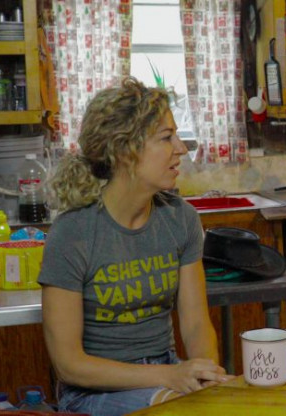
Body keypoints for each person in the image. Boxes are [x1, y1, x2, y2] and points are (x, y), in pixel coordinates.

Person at [38, 77, 233, 416]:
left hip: (166, 374)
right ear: (125, 150)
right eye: (166, 137)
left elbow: (196, 325)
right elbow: (69, 365)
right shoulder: (73, 233)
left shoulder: (181, 218)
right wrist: (170, 377)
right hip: (93, 392)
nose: (181, 149)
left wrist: (205, 375)